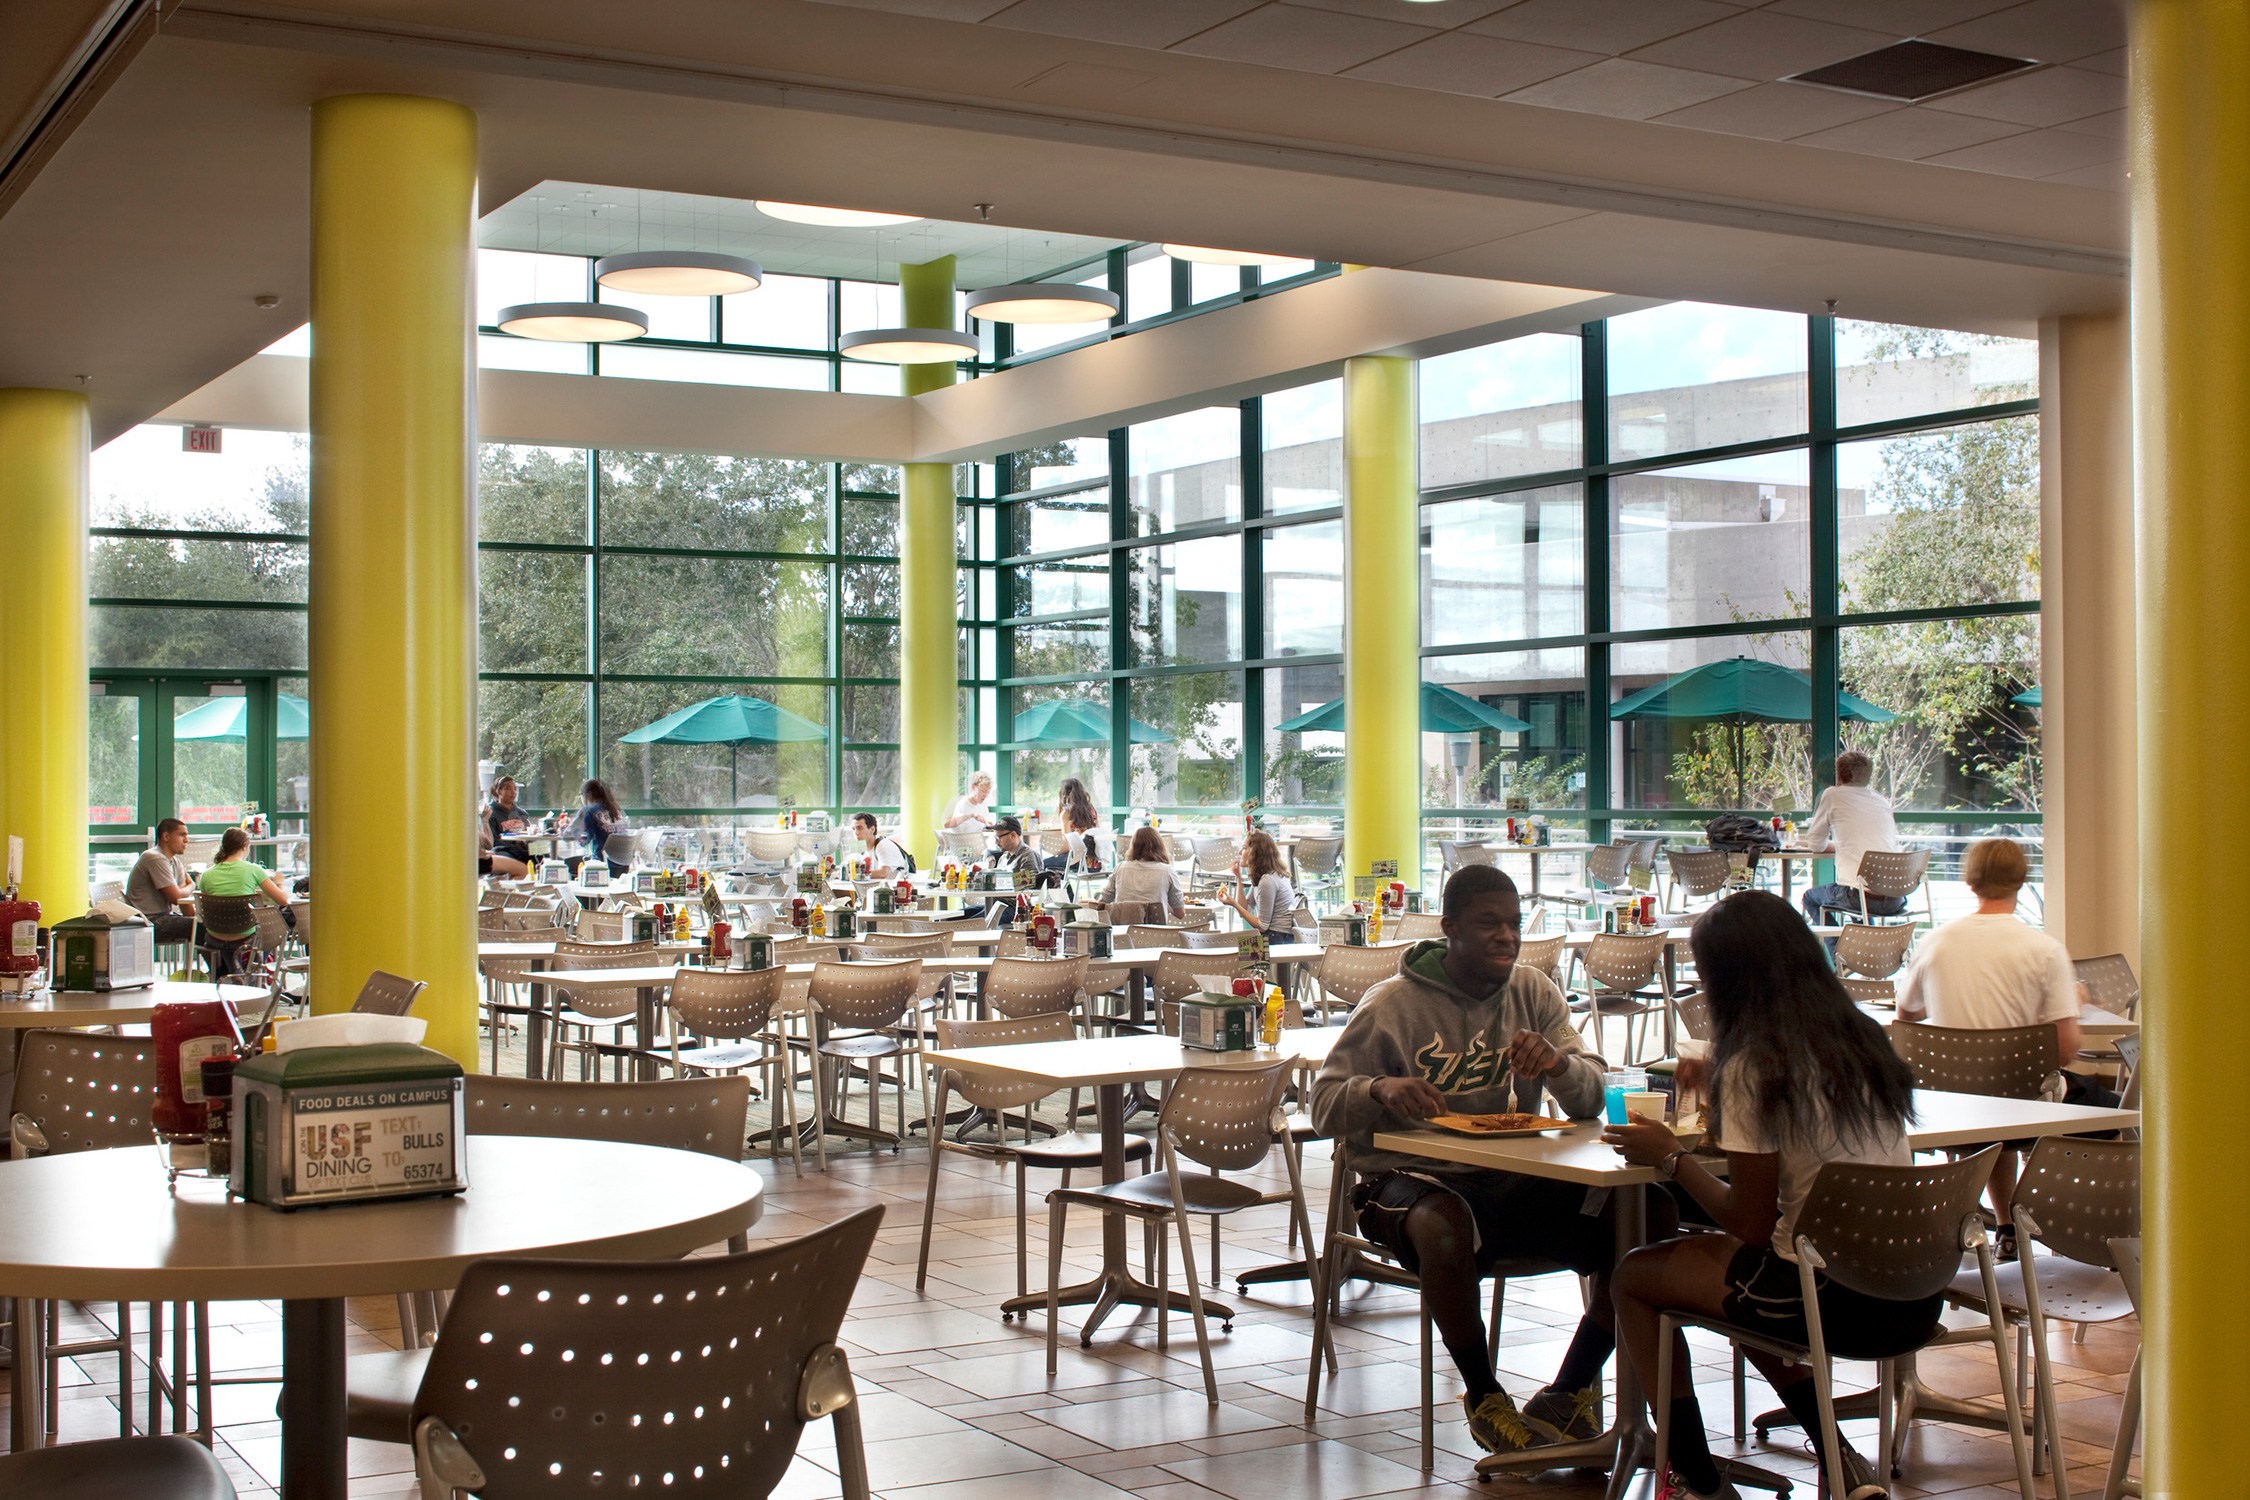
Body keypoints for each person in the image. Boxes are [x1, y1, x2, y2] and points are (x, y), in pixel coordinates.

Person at [1310, 865, 1655, 1457]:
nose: (1507, 936)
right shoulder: (1390, 1005)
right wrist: (1377, 1090)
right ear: (1450, 929)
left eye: (1515, 924)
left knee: (1648, 1211)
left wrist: (1558, 1066)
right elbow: (1321, 1108)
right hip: (1402, 1185)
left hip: (1511, 1179)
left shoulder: (1535, 994)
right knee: (1444, 1222)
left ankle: (1569, 1390)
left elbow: (1593, 1098)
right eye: (1489, 923)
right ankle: (1483, 1394)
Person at [1606, 890, 1921, 1500]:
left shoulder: (1758, 1068)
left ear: (1729, 980)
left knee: (1635, 1276)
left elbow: (1749, 1223)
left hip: (1827, 1298)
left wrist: (1667, 1158)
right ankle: (1839, 1454)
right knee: (1742, 1282)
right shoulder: (1863, 1041)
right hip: (1908, 1290)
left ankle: (1694, 1474)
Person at [1897, 837, 2112, 1256]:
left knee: (1991, 1113)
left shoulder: (1935, 942)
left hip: (1948, 1103)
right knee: (2112, 1112)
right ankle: (2083, 1233)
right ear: (2022, 879)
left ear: (1969, 881)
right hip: (2019, 1101)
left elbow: (1906, 1024)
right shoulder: (2044, 950)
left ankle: (2007, 1226)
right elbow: (2065, 1049)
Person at [1797, 750, 1904, 924]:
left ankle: (1837, 950)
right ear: (1868, 777)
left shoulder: (1832, 795)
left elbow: (1816, 844)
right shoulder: (1881, 800)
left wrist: (1838, 846)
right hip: (1895, 898)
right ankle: (1859, 949)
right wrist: (1844, 845)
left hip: (1859, 896)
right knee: (1860, 894)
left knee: (1810, 898)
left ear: (1838, 774)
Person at [196, 827, 295, 969]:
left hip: (215, 937)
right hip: (246, 938)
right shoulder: (254, 870)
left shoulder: (206, 875)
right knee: (278, 926)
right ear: (245, 847)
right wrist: (279, 881)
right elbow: (283, 901)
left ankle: (237, 971)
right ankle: (254, 969)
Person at [125, 817, 196, 943]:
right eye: (182, 835)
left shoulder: (175, 862)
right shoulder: (154, 858)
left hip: (164, 917)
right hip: (148, 921)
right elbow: (176, 898)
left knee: (210, 926)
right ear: (166, 836)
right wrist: (192, 886)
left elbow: (184, 903)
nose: (186, 840)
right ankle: (224, 963)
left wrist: (197, 917)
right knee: (204, 928)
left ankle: (222, 963)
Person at [1094, 825, 1187, 920]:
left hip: (1123, 930)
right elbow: (1180, 913)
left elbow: (1103, 902)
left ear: (1133, 846)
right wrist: (1163, 906)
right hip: (1155, 931)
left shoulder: (1120, 868)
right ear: (1160, 845)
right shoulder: (1167, 871)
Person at [1223, 830, 1301, 935]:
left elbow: (1262, 926)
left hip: (1278, 937)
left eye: (1245, 848)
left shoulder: (1267, 880)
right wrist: (1238, 878)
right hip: (1276, 935)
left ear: (1255, 853)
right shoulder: (1263, 876)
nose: (1240, 852)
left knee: (1237, 945)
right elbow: (1245, 909)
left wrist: (1233, 903)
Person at [1045, 777, 1104, 874]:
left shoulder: (1067, 814)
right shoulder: (1091, 810)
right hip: (1096, 863)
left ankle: (1062, 889)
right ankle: (1067, 889)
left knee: (1042, 863)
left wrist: (1052, 849)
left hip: (1080, 862)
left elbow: (1067, 846)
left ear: (1063, 794)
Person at [483, 776, 532, 880]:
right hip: (504, 850)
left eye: (515, 789)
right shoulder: (490, 813)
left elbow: (531, 834)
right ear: (498, 791)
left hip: (523, 849)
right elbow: (492, 841)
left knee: (543, 855)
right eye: (508, 788)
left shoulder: (521, 813)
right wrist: (514, 843)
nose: (513, 792)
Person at [577, 779, 627, 875]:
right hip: (624, 864)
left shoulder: (589, 811)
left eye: (581, 794)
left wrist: (567, 829)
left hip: (603, 865)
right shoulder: (617, 810)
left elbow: (583, 841)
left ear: (588, 794)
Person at [851, 812, 913, 879]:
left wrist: (854, 874)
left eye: (860, 828)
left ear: (872, 829)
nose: (855, 832)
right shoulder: (864, 848)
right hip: (882, 887)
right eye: (853, 829)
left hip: (899, 887)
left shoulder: (883, 845)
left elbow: (883, 873)